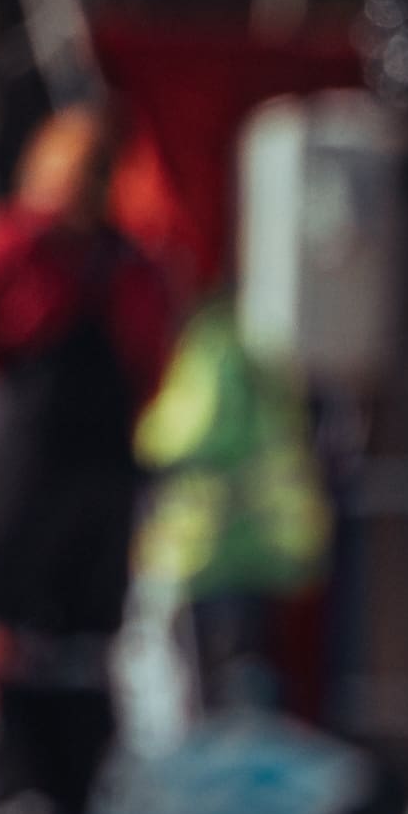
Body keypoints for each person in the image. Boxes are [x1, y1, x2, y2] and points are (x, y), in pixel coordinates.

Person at [0, 105, 179, 814]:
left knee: (12, 631)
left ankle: (17, 785)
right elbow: (154, 370)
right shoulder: (135, 265)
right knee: (80, 640)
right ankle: (64, 795)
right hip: (98, 470)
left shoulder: (8, 246)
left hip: (28, 471)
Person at [136, 300, 332, 726]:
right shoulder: (258, 345)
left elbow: (197, 434)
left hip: (220, 552)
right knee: (250, 675)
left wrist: (141, 439)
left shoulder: (214, 347)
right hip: (268, 553)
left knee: (223, 684)